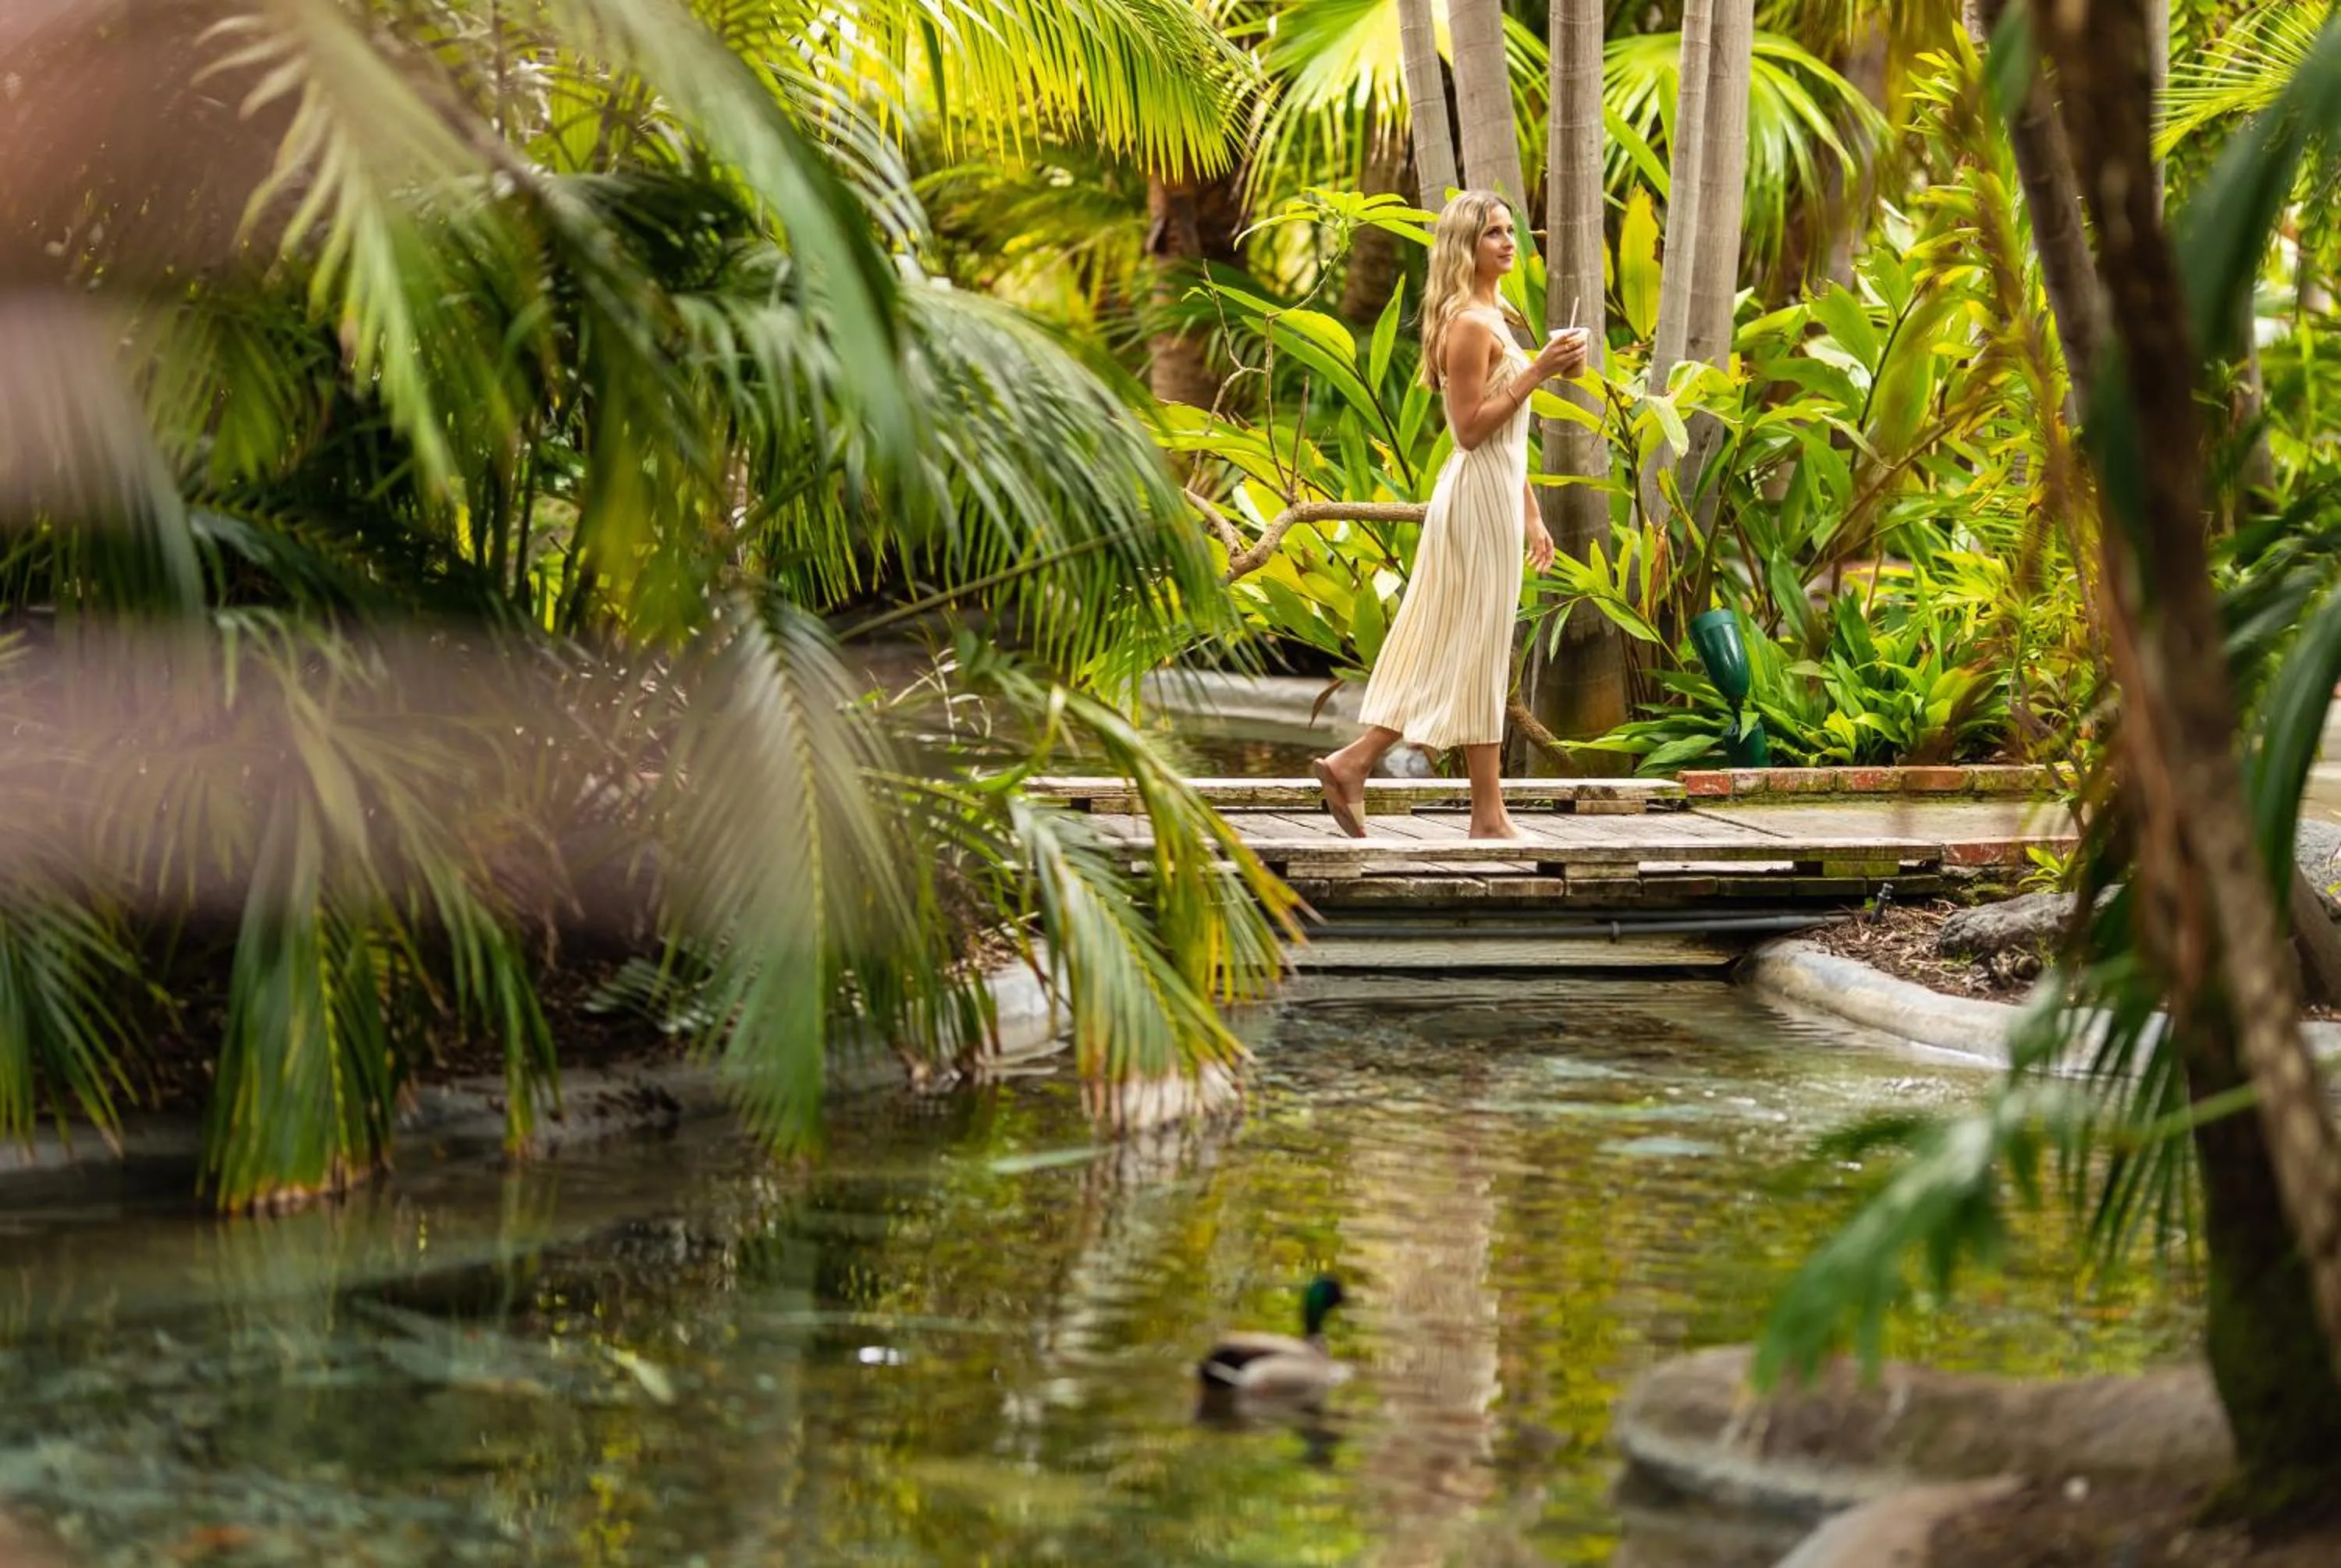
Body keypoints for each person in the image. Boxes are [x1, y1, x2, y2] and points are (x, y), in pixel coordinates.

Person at [1309, 190, 1589, 840]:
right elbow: (1468, 431)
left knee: (1467, 647)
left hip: (1495, 496)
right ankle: (1484, 816)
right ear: (1466, 246)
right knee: (1478, 648)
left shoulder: (1495, 315)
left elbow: (1506, 439)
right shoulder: (1468, 324)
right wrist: (1539, 371)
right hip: (1472, 502)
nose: (1509, 242)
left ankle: (1358, 766)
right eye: (1493, 233)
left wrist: (1532, 515)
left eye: (1510, 230)